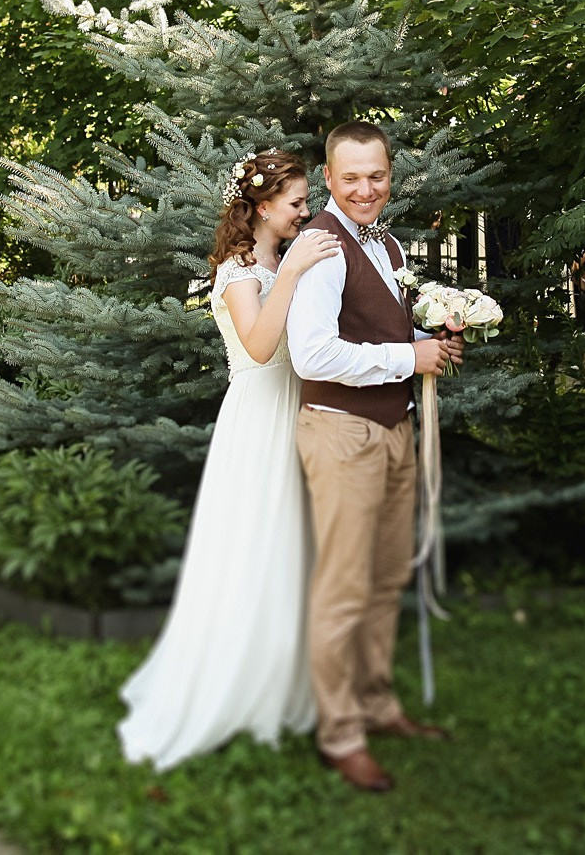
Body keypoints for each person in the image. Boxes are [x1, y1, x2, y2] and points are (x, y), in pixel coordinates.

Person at [117, 148, 341, 770]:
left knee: (297, 545)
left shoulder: (282, 256)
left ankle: (291, 683)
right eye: (296, 203)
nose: (306, 212)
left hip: (302, 410)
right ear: (263, 207)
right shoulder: (241, 271)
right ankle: (236, 687)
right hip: (259, 417)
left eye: (305, 202)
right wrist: (293, 272)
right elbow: (262, 346)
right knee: (255, 545)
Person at [285, 121, 462, 793]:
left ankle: (378, 704)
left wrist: (431, 338)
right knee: (343, 587)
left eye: (377, 175)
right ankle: (340, 734)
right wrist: (405, 356)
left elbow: (382, 328)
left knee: (385, 576)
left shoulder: (384, 243)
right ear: (328, 179)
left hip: (392, 428)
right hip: (341, 432)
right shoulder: (322, 246)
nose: (365, 188)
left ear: (391, 176)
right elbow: (314, 353)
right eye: (351, 176)